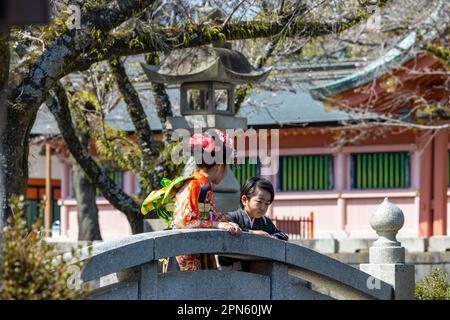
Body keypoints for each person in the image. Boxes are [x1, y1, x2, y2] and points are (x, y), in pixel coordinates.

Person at [169, 130, 242, 271]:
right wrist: (218, 225)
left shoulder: (201, 185)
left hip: (196, 250)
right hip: (185, 256)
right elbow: (185, 222)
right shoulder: (196, 185)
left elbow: (214, 217)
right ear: (220, 166)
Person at [219, 177, 288, 270]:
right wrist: (253, 233)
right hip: (231, 270)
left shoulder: (265, 222)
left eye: (267, 203)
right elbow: (226, 230)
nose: (263, 207)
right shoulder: (231, 217)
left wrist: (271, 238)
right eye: (259, 202)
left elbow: (282, 235)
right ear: (244, 200)